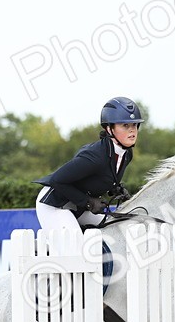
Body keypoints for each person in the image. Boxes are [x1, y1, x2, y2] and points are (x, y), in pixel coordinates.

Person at [33, 96, 142, 232]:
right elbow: (57, 180)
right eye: (125, 125)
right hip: (55, 205)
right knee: (75, 243)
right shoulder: (94, 157)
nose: (132, 130)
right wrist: (88, 202)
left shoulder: (127, 155)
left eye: (134, 125)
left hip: (78, 206)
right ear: (109, 129)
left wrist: (115, 188)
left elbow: (99, 177)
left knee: (111, 230)